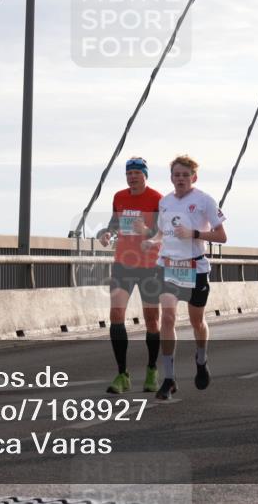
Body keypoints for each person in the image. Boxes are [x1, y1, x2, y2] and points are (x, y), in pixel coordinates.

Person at [143, 155, 227, 401]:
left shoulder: (205, 200)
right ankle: (169, 379)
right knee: (167, 318)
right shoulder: (165, 202)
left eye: (185, 175)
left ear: (194, 177)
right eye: (176, 175)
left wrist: (195, 233)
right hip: (168, 266)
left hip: (195, 267)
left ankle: (201, 358)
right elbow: (162, 232)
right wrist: (152, 241)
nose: (180, 179)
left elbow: (222, 236)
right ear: (171, 178)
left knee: (196, 322)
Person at [97, 157, 163, 395]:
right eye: (129, 173)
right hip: (123, 264)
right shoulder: (119, 197)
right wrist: (106, 234)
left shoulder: (157, 199)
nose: (132, 177)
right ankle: (122, 374)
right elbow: (113, 224)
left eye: (137, 173)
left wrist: (146, 231)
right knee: (116, 315)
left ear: (145, 175)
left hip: (149, 265)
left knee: (152, 320)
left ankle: (152, 369)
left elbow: (163, 232)